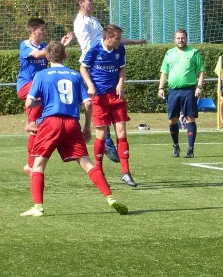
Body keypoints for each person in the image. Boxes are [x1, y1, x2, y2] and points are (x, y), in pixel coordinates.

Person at [20, 41, 128, 217]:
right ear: (66, 55)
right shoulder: (75, 75)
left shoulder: (41, 75)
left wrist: (45, 100)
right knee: (86, 163)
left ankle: (38, 207)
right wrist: (86, 126)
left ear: (47, 57)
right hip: (72, 123)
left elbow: (29, 102)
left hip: (50, 122)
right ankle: (110, 197)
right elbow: (87, 103)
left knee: (38, 165)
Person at [74, 0, 147, 163]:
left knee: (104, 107)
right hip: (93, 67)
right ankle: (103, 139)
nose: (93, 2)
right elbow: (89, 48)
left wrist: (136, 42)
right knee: (91, 102)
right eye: (89, 0)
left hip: (102, 63)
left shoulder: (94, 21)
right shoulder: (80, 23)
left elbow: (112, 40)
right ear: (81, 4)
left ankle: (105, 139)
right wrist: (96, 63)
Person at [80, 24, 137, 187]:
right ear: (107, 38)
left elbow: (122, 68)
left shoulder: (120, 49)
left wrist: (121, 83)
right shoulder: (94, 48)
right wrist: (90, 85)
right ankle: (99, 171)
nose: (120, 41)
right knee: (102, 135)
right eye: (117, 38)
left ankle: (126, 172)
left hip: (116, 96)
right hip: (99, 98)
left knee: (122, 132)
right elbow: (83, 67)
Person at [16, 18, 73, 176]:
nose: (44, 31)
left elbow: (60, 57)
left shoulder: (43, 46)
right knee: (44, 93)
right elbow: (37, 55)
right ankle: (30, 122)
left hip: (37, 92)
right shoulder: (25, 45)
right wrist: (56, 47)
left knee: (36, 131)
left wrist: (61, 48)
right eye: (41, 29)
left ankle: (30, 165)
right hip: (26, 87)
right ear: (33, 31)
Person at [158, 29, 205, 158]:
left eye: (183, 38)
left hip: (189, 90)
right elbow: (164, 72)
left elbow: (201, 71)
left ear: (186, 38)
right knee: (172, 120)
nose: (180, 40)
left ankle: (190, 148)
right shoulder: (169, 53)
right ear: (175, 40)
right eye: (178, 38)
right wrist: (161, 88)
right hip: (173, 91)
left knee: (190, 118)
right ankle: (176, 146)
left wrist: (199, 86)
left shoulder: (194, 52)